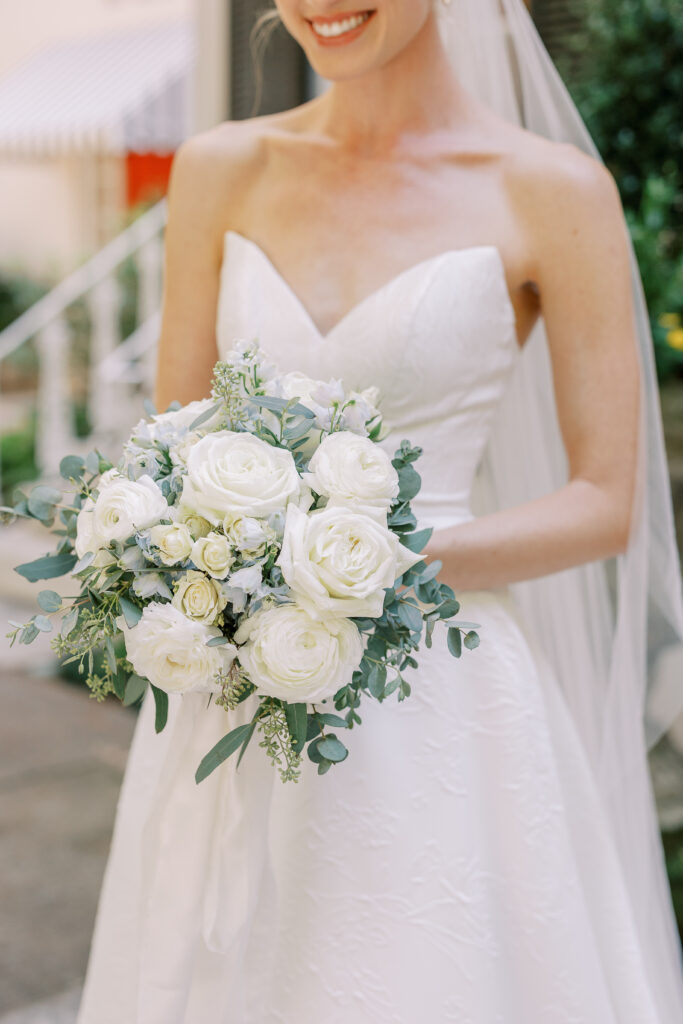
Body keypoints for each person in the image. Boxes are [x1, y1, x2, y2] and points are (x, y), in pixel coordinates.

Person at [77, 2, 683, 1021]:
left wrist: (357, 568)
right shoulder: (221, 167)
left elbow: (602, 502)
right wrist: (218, 566)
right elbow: (170, 451)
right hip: (237, 693)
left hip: (441, 696)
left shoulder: (550, 192)